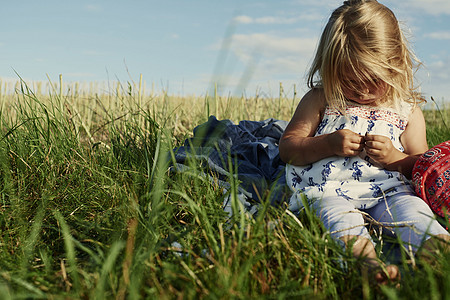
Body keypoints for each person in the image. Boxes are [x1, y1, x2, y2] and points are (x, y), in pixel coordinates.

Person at [279, 0, 450, 284]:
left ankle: (437, 254)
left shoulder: (405, 109)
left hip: (391, 192)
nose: (361, 89)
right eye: (349, 80)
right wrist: (327, 144)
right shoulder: (322, 99)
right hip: (330, 192)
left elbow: (422, 167)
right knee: (339, 222)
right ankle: (367, 267)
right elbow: (288, 148)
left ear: (395, 64)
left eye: (372, 79)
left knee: (416, 214)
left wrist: (395, 157)